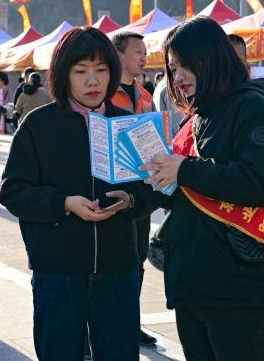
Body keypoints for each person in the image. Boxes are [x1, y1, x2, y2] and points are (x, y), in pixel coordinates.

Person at [138, 17, 264, 359]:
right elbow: (182, 186)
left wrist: (184, 169)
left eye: (185, 65)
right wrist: (135, 195)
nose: (177, 77)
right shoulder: (198, 116)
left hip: (240, 286)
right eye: (173, 68)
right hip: (194, 280)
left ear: (212, 58)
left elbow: (258, 183)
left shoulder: (254, 108)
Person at [0, 27, 147, 360]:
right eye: (81, 72)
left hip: (118, 267)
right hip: (57, 269)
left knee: (120, 352)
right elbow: (13, 191)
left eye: (102, 70)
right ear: (63, 75)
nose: (92, 81)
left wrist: (131, 200)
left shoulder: (127, 124)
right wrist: (63, 203)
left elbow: (151, 189)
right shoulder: (39, 125)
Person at [109, 31, 156, 347]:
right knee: (110, 261)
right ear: (119, 54)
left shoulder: (144, 94)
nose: (144, 57)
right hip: (112, 190)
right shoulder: (105, 93)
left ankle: (129, 321)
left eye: (145, 51)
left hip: (142, 190)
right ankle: (96, 325)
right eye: (138, 51)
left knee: (137, 258)